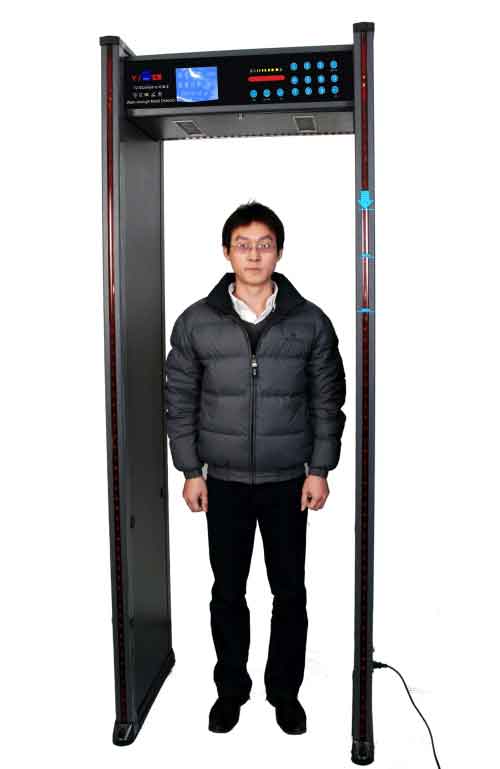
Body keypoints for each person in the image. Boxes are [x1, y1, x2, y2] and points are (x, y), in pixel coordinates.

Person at [165, 200, 346, 734]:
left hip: (289, 480)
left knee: (289, 591)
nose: (253, 254)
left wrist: (321, 469)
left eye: (264, 245)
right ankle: (231, 690)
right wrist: (190, 471)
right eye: (242, 245)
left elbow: (327, 401)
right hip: (221, 482)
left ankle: (284, 693)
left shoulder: (310, 322)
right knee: (228, 591)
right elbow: (179, 400)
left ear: (279, 252)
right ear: (226, 252)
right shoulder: (196, 322)